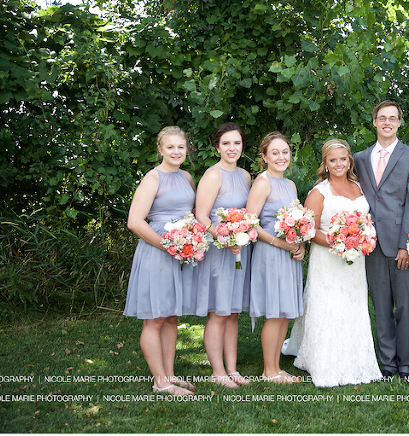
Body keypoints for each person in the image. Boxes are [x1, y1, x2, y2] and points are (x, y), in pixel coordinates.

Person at [284, 139, 383, 387]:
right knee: (328, 305)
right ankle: (322, 360)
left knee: (353, 304)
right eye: (333, 160)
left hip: (355, 261)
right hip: (327, 260)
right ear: (325, 164)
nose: (338, 164)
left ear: (349, 161)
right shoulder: (319, 192)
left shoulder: (361, 188)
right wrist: (339, 242)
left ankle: (356, 357)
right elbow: (309, 230)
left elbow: (367, 222)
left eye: (343, 159)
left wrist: (360, 238)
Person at [353, 101, 409, 382]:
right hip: (370, 243)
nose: (387, 122)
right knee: (381, 305)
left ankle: (406, 364)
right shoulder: (360, 158)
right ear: (374, 121)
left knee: (406, 306)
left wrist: (406, 245)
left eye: (392, 118)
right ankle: (387, 363)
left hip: (400, 243)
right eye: (382, 118)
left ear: (399, 123)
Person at [124, 126, 196, 396]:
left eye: (180, 147)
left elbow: (190, 213)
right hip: (157, 253)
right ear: (160, 150)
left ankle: (169, 375)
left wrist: (191, 239)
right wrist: (167, 245)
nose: (176, 152)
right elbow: (134, 221)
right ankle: (160, 382)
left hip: (180, 254)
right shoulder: (153, 178)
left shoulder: (187, 177)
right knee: (154, 319)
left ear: (186, 149)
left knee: (170, 318)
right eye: (170, 147)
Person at [188, 123, 253, 388]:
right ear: (217, 146)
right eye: (226, 143)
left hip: (240, 248)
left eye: (236, 143)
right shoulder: (213, 175)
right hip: (219, 248)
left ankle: (233, 369)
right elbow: (200, 215)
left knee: (233, 311)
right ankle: (217, 372)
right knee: (219, 311)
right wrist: (223, 237)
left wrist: (241, 236)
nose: (231, 148)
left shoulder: (246, 176)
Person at [246, 132, 306, 383]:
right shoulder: (263, 182)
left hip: (289, 254)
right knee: (274, 311)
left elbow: (298, 221)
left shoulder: (290, 184)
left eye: (285, 152)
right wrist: (280, 243)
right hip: (270, 253)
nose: (281, 157)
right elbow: (251, 223)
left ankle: (277, 368)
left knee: (285, 311)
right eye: (275, 153)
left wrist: (300, 243)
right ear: (264, 156)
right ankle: (269, 370)